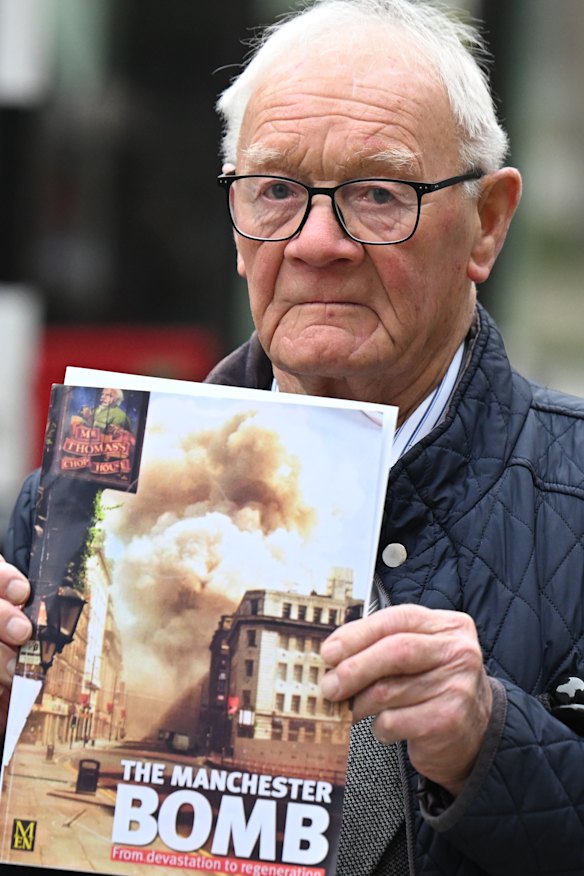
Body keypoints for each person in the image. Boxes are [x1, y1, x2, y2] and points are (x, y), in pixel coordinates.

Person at [1, 0, 583, 872]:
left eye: (378, 195)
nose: (317, 243)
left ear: (488, 223)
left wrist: (492, 746)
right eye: (275, 191)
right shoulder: (81, 503)